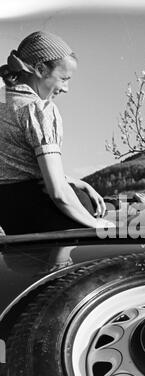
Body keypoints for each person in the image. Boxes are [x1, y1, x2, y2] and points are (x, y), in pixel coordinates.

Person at [0, 31, 113, 235]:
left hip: (13, 220)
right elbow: (58, 194)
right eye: (64, 78)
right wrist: (97, 226)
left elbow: (19, 171)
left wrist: (77, 181)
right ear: (41, 69)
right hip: (53, 222)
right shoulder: (39, 110)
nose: (66, 88)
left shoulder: (3, 102)